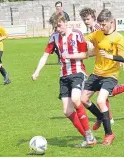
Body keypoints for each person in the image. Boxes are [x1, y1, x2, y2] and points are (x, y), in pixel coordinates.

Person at [31, 12, 96, 148]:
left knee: (76, 99)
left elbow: (85, 55)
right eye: (56, 27)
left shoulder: (77, 34)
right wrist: (37, 71)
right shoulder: (54, 37)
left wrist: (70, 55)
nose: (58, 29)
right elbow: (45, 56)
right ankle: (88, 138)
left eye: (59, 26)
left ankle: (89, 134)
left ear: (65, 22)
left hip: (78, 72)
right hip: (64, 76)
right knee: (67, 112)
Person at [79, 7, 124, 131]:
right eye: (84, 19)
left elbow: (121, 56)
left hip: (110, 74)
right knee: (86, 98)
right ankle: (103, 116)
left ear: (111, 22)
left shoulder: (118, 37)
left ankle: (108, 127)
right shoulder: (96, 32)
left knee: (102, 98)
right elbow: (84, 40)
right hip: (97, 73)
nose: (101, 26)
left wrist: (112, 57)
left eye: (104, 24)